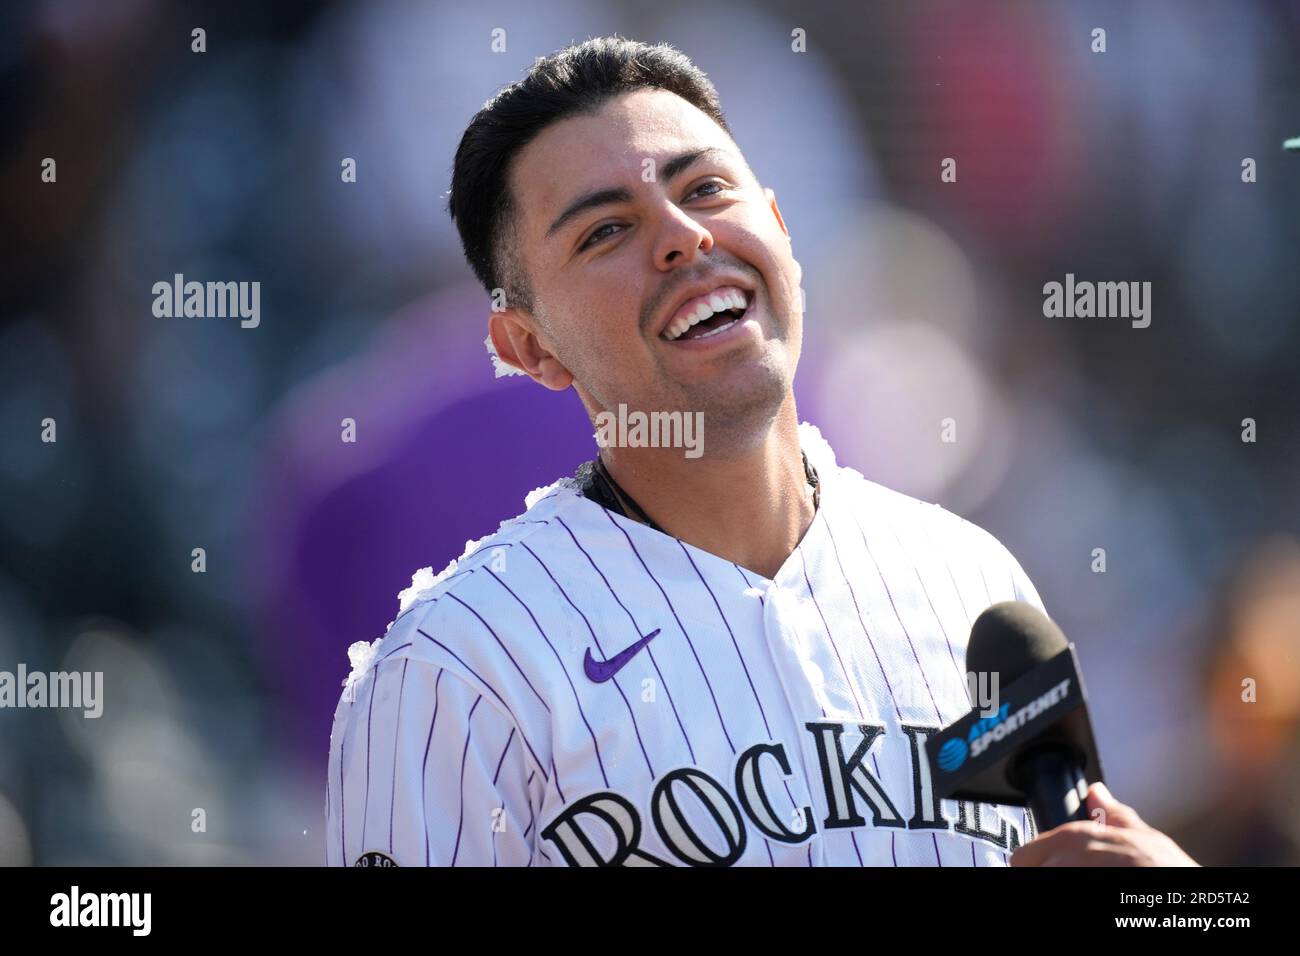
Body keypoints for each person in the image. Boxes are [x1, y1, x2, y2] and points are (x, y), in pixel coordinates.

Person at [325, 36, 1196, 867]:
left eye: (705, 189)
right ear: (527, 345)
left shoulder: (974, 588)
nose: (683, 236)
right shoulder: (458, 668)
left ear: (779, 227)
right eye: (604, 232)